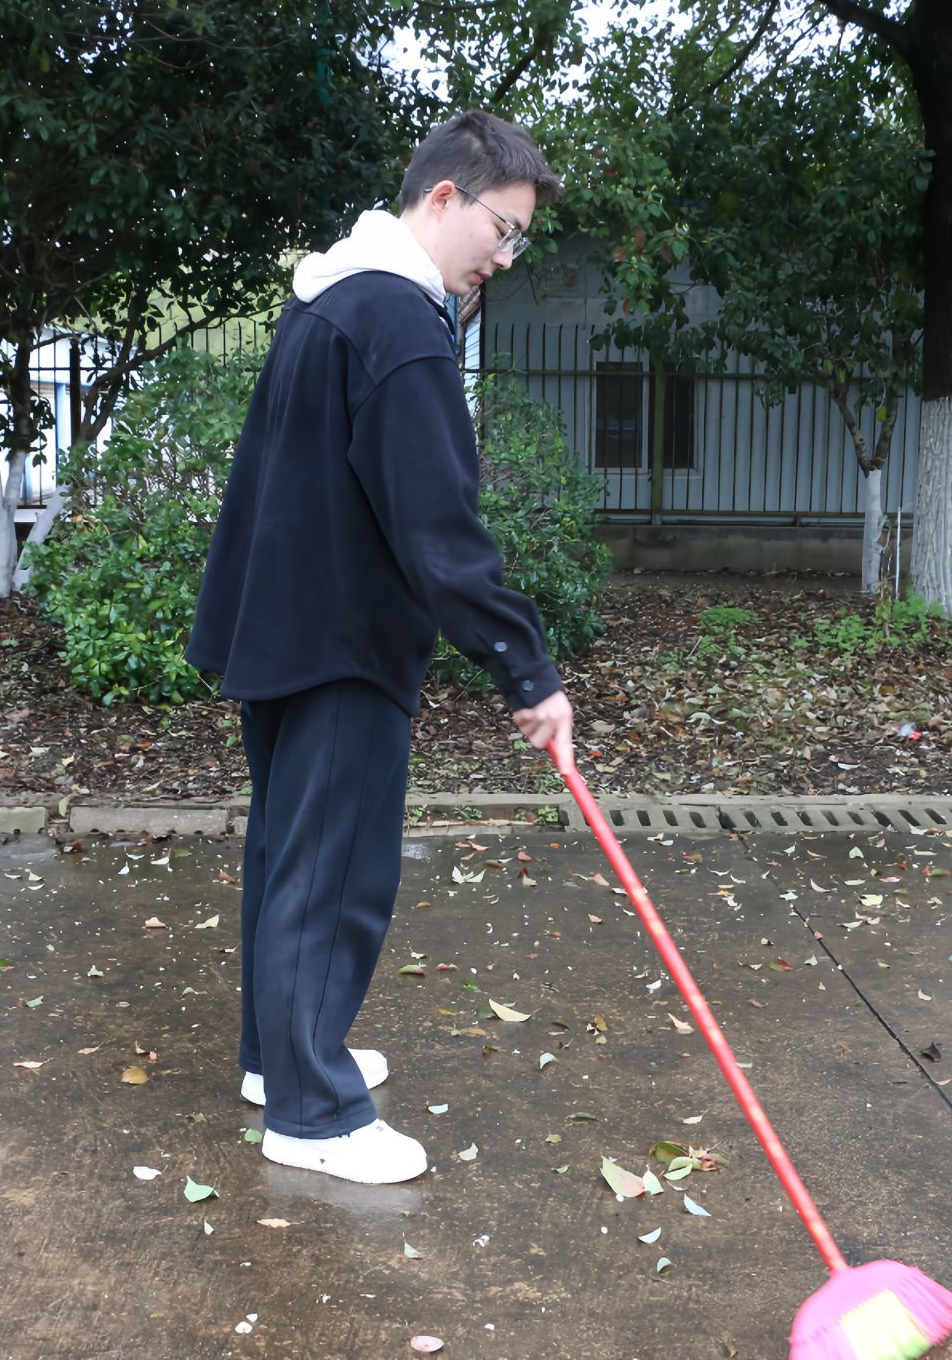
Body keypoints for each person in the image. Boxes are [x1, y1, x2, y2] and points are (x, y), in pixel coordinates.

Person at [186, 109, 574, 1185]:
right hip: (342, 639)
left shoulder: (328, 297)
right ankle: (313, 1114)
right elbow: (438, 524)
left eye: (518, 239)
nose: (505, 257)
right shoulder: (399, 323)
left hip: (283, 627)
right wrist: (524, 669)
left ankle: (278, 1059)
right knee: (333, 873)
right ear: (443, 198)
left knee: (289, 857)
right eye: (502, 230)